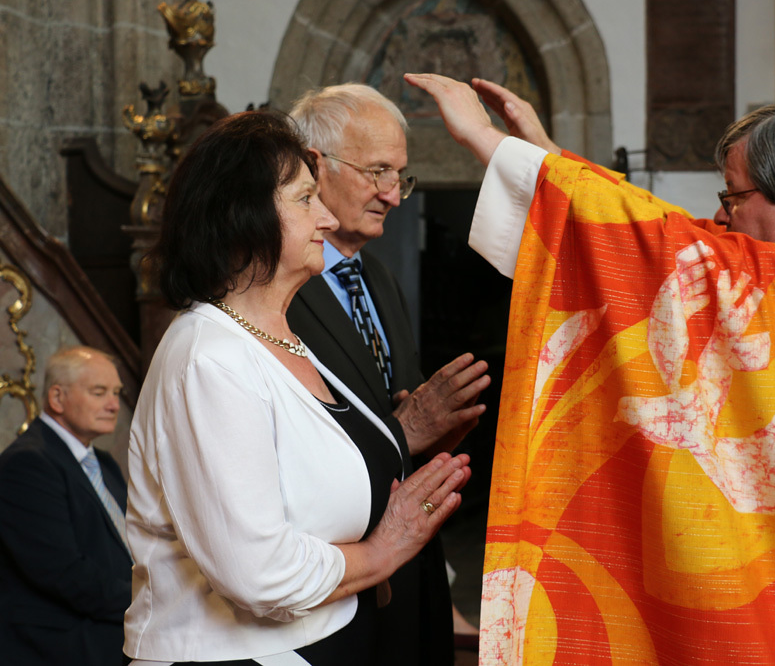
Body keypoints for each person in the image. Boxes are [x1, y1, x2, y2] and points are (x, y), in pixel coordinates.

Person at [405, 73, 775, 664]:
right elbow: (663, 229)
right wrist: (546, 156)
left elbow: (661, 244)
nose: (721, 216)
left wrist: (483, 138)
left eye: (734, 197)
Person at [124, 110, 471, 665]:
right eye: (306, 199)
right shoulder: (208, 357)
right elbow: (260, 573)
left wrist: (401, 448)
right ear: (244, 216)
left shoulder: (282, 338)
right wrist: (382, 551)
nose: (327, 219)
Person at [287, 83, 490, 662]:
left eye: (400, 176)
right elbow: (295, 444)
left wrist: (438, 431)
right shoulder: (278, 286)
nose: (393, 195)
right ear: (314, 166)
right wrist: (405, 431)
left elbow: (398, 402)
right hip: (339, 574)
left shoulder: (374, 275)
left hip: (413, 558)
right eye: (377, 172)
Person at [0, 345, 131, 666]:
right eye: (99, 392)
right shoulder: (27, 463)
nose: (114, 405)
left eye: (116, 393)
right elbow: (62, 572)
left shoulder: (103, 462)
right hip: (63, 647)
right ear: (57, 398)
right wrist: (147, 600)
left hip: (117, 629)